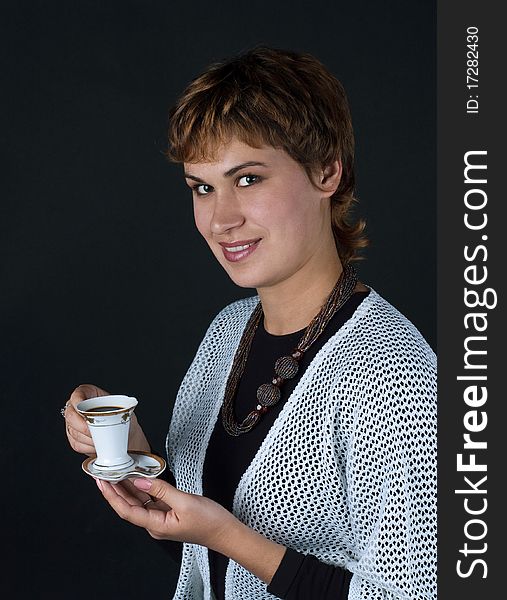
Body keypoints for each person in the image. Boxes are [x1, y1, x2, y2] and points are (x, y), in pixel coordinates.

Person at [63, 46, 436, 600]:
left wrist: (230, 537)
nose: (221, 219)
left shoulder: (392, 372)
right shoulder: (228, 332)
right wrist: (133, 462)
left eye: (249, 179)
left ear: (326, 170)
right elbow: (208, 560)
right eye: (203, 187)